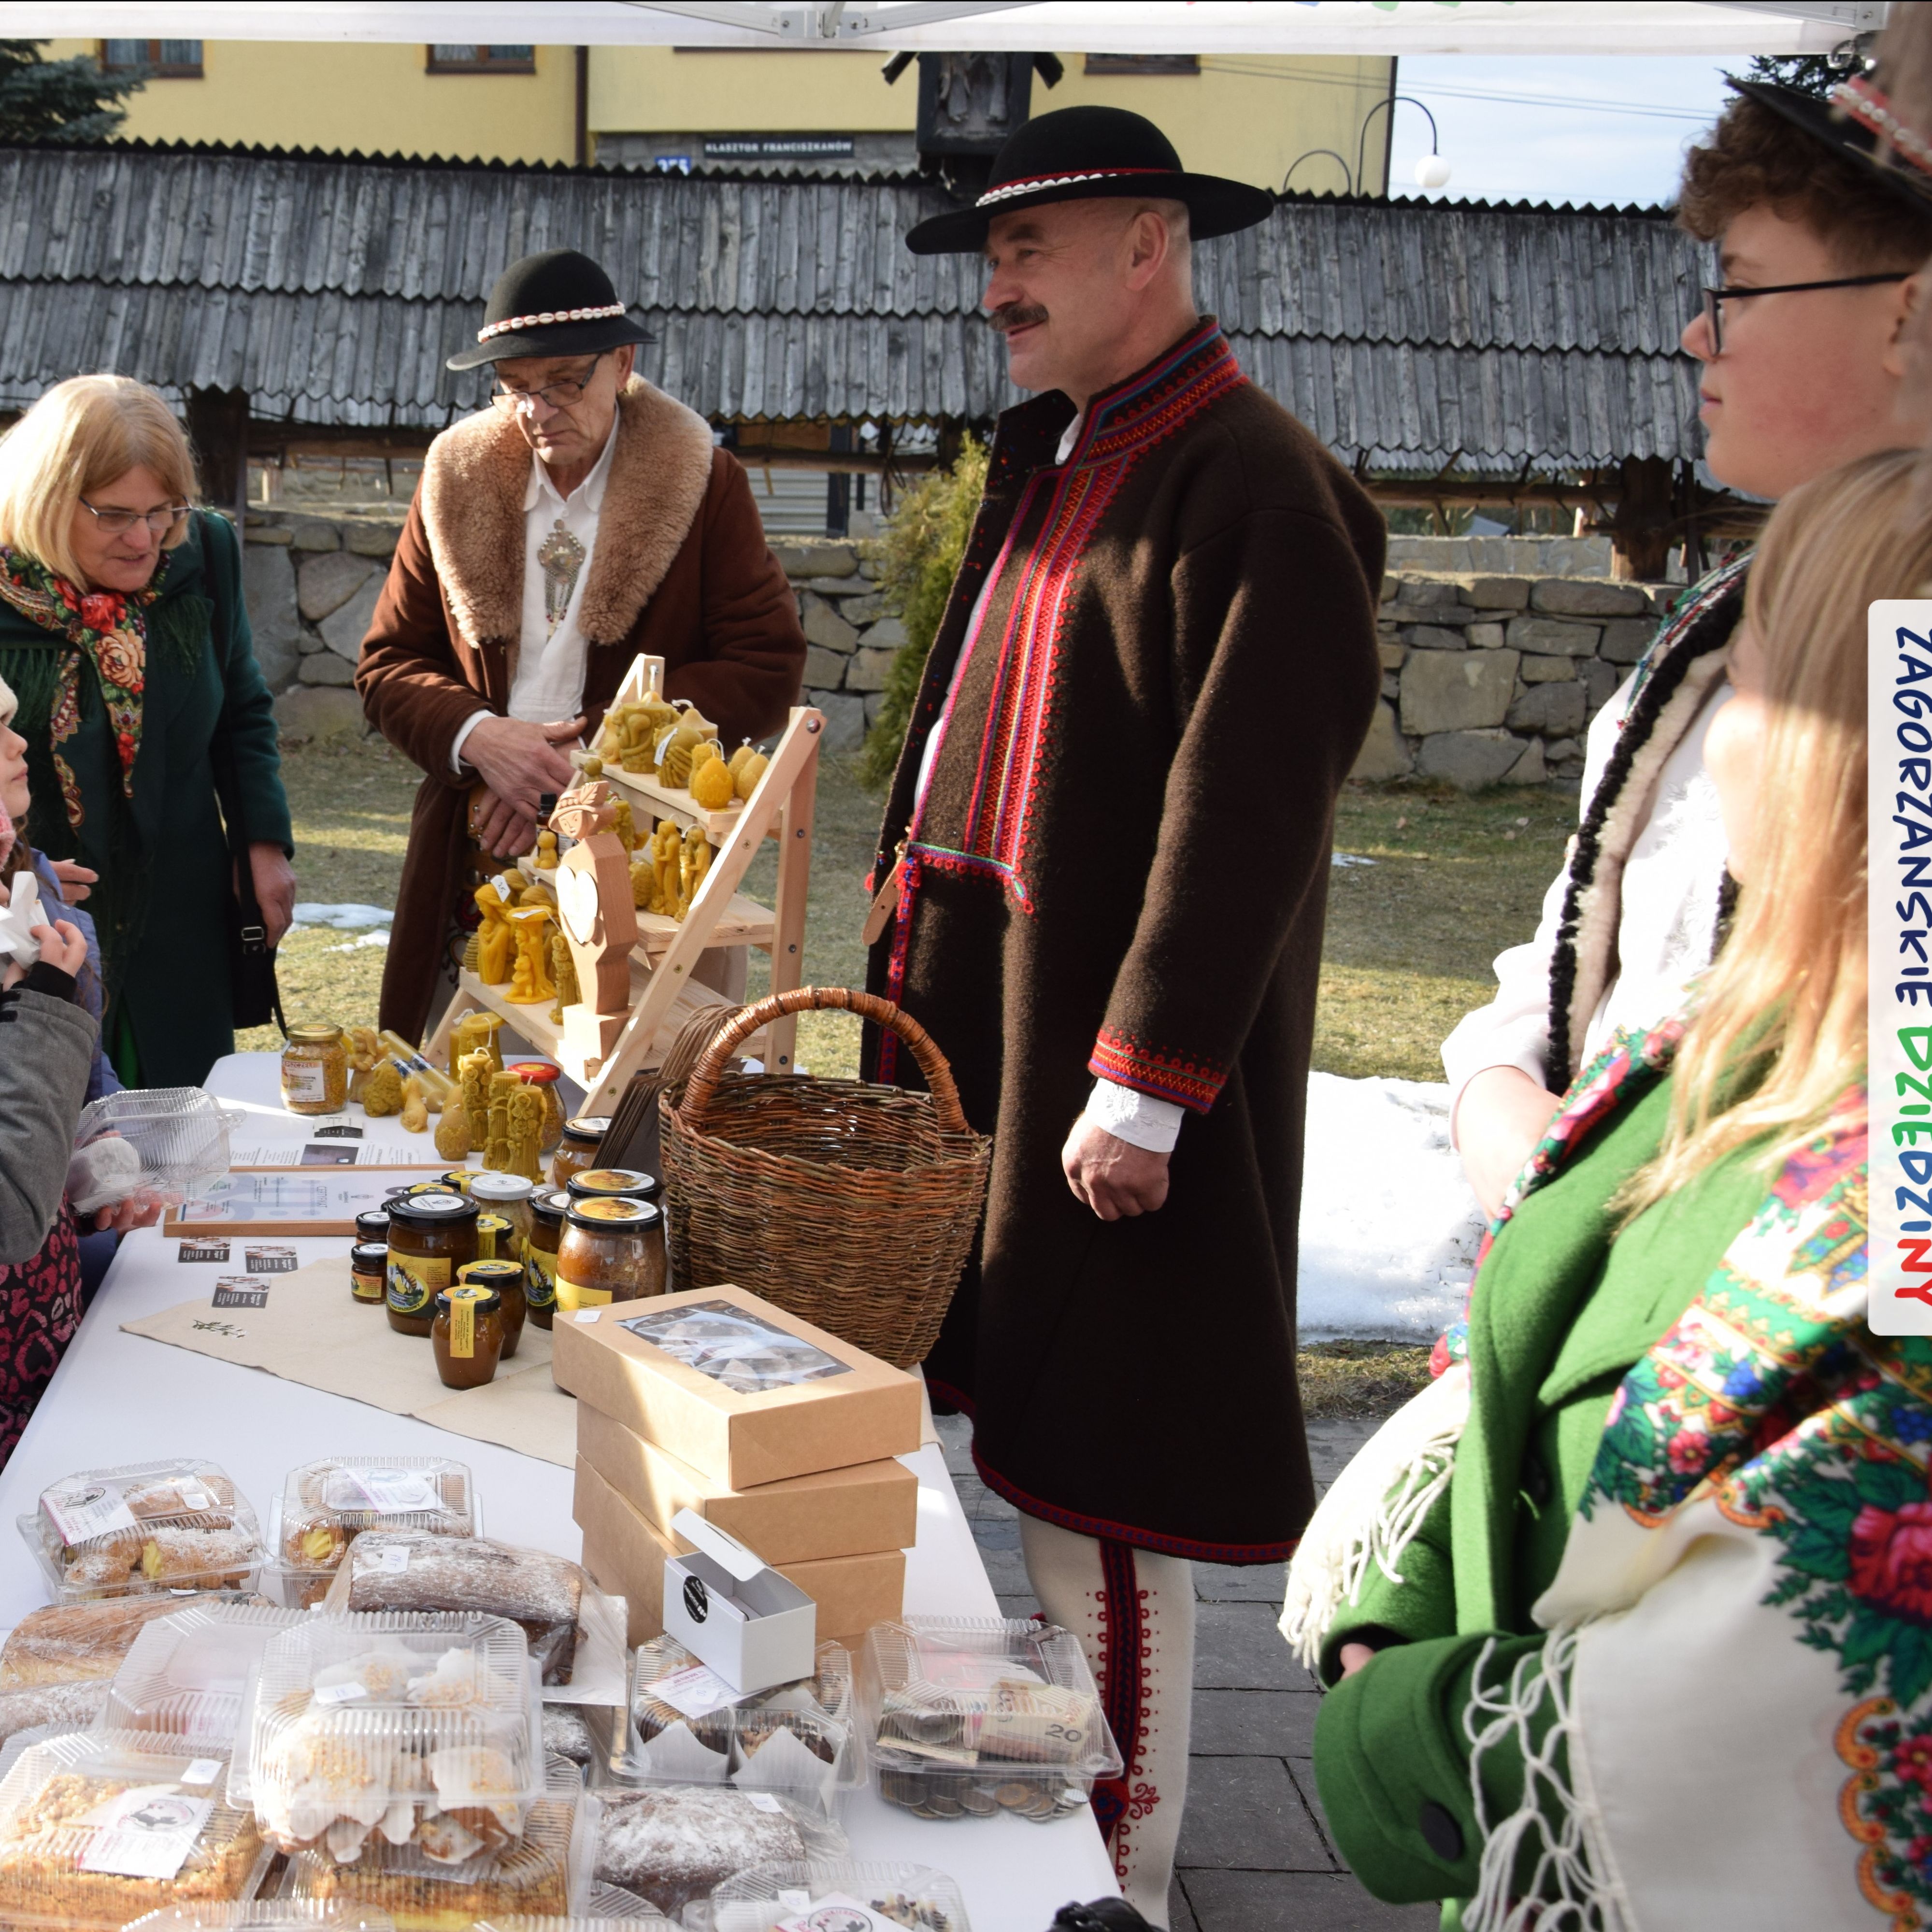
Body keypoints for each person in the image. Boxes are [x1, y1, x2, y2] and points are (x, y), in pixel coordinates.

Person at [866, 106, 1384, 1923]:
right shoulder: (1073, 455)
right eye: (988, 253)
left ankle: (1135, 1872)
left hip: (1112, 1088)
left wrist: (1147, 1086)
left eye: (1032, 248)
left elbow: (1246, 812)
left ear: (1149, 244)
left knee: (1114, 1489)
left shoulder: (1258, 484)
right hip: (1008, 1042)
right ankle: (1072, 1812)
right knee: (1034, 1453)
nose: (995, 285)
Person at [1294, 445, 1916, 1926]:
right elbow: (1535, 1321)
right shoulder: (1727, 1033)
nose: (1710, 744)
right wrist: (1406, 1588)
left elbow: (1784, 1700)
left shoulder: (1906, 1175)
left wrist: (1404, 1724)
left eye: (1749, 679)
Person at [1443, 81, 1932, 1218]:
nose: (1697, 330)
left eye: (1746, 288)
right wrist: (1498, 1089)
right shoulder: (1720, 623)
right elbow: (1589, 960)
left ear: (1906, 318)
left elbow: (1908, 1205)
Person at [357, 248, 807, 1044]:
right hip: (478, 834)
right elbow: (389, 664)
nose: (539, 409)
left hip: (642, 843)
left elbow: (766, 668)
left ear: (622, 363)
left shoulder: (703, 482)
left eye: (566, 381)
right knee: (479, 1096)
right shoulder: (455, 480)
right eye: (517, 387)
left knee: (638, 1102)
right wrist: (484, 742)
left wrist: (589, 755)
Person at [0, 375, 294, 1089]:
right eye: (115, 515)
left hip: (178, 905)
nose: (146, 538)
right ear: (45, 500)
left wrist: (263, 841)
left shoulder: (207, 553)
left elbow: (240, 708)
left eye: (165, 511)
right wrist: (17, 869)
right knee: (55, 1143)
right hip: (36, 919)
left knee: (182, 1126)